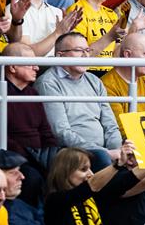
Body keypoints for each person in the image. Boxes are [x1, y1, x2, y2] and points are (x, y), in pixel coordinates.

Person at [35, 32, 123, 169]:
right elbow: (60, 133)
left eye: (87, 50)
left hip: (105, 152)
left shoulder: (94, 81)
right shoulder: (48, 83)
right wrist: (105, 153)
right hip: (70, 153)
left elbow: (110, 124)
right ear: (60, 56)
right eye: (78, 50)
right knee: (104, 160)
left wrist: (117, 150)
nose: (85, 55)